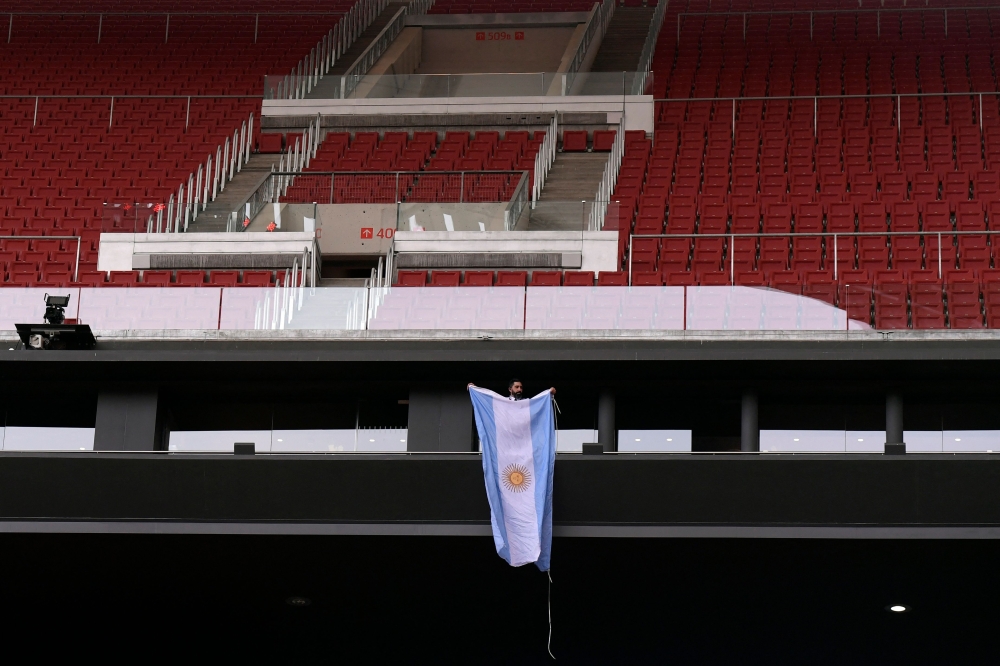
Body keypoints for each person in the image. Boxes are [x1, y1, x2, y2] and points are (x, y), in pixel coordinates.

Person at [467, 379, 556, 400]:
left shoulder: (526, 403)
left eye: (521, 387)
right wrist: (476, 389)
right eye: (516, 387)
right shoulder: (504, 401)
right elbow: (489, 396)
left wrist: (549, 393)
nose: (519, 389)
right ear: (510, 389)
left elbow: (538, 400)